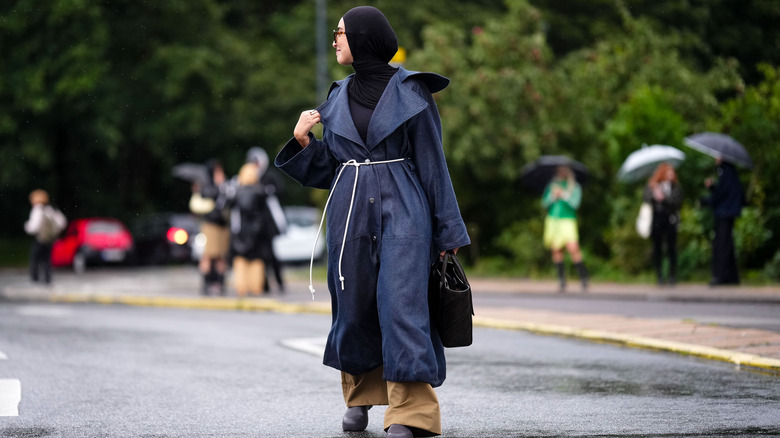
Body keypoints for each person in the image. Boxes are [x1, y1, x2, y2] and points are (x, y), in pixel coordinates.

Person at [274, 6, 469, 437]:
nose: (334, 41)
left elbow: (433, 164)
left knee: (404, 308)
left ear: (362, 38)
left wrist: (448, 231)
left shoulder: (412, 93)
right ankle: (360, 397)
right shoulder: (337, 96)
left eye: (340, 33)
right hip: (349, 214)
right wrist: (304, 141)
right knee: (354, 308)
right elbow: (333, 169)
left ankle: (411, 413)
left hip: (405, 210)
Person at [226, 163, 274, 297]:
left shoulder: (237, 192)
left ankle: (242, 286)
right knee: (257, 260)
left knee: (240, 259)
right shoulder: (261, 192)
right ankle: (256, 286)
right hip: (258, 231)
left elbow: (228, 208)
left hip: (241, 230)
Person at [246, 147, 287, 293]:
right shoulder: (249, 177)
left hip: (268, 221)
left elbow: (281, 191)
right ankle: (263, 284)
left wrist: (268, 190)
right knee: (259, 255)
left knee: (271, 253)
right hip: (254, 222)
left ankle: (279, 282)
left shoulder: (270, 175)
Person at [542, 166, 588, 292]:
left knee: (573, 248)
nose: (561, 173)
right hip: (553, 220)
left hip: (568, 220)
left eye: (564, 170)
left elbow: (575, 204)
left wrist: (563, 194)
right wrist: (553, 196)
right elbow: (544, 203)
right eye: (559, 170)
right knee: (556, 250)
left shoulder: (574, 187)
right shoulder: (552, 185)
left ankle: (584, 278)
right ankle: (562, 280)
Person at [189, 159, 230, 295]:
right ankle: (206, 284)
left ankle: (220, 282)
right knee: (208, 255)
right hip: (210, 225)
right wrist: (219, 186)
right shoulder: (206, 186)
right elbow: (208, 196)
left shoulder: (224, 185)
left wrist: (222, 186)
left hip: (222, 225)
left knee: (221, 256)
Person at [701, 158, 744, 286]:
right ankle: (731, 276)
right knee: (727, 243)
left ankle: (720, 276)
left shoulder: (727, 172)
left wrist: (707, 200)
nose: (715, 158)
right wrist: (714, 187)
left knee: (722, 244)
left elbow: (722, 194)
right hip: (727, 211)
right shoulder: (728, 172)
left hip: (725, 212)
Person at [643, 163, 684, 286]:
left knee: (671, 248)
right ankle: (659, 276)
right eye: (668, 173)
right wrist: (654, 195)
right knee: (657, 248)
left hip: (670, 220)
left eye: (672, 173)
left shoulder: (676, 187)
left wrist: (663, 198)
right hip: (657, 220)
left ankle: (672, 276)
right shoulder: (653, 186)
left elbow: (678, 203)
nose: (671, 175)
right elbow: (645, 198)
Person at [24, 189, 67, 285]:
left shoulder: (37, 210)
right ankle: (47, 279)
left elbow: (34, 226)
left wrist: (27, 227)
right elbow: (62, 222)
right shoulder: (50, 209)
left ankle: (35, 279)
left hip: (39, 238)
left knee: (35, 258)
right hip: (50, 239)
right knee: (47, 260)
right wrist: (54, 232)